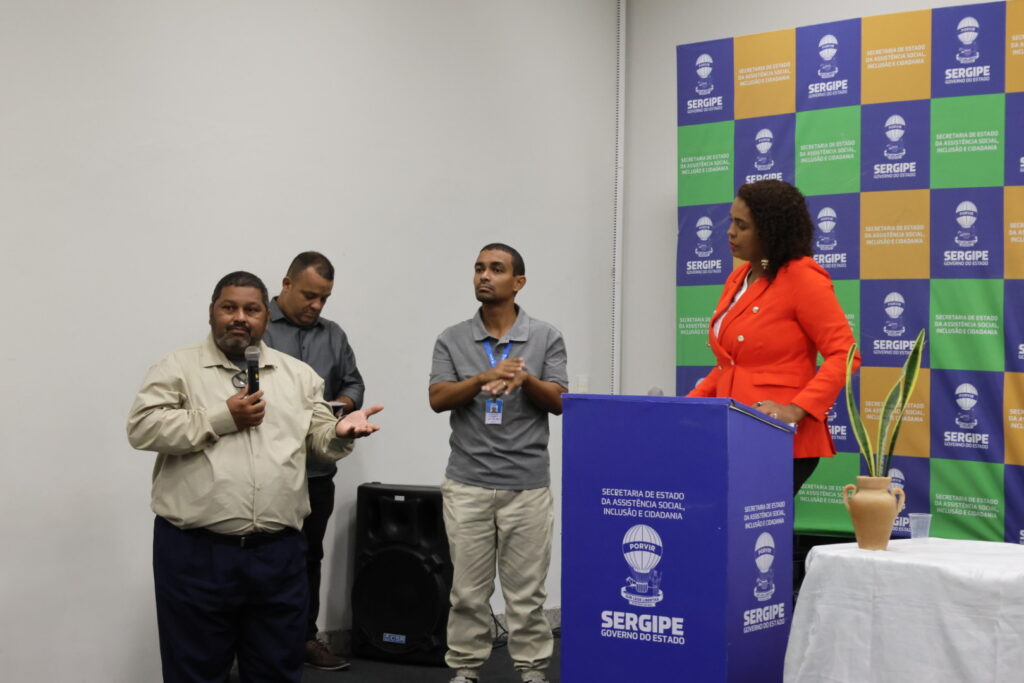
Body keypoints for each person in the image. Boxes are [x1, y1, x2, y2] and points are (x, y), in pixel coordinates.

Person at [127, 271, 382, 683]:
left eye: (251, 309)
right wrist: (222, 418)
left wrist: (339, 432)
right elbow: (143, 428)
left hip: (277, 555)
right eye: (229, 307)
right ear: (212, 312)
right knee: (195, 672)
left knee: (276, 671)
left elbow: (319, 437)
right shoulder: (178, 367)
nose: (240, 318)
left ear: (266, 316)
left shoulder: (299, 375)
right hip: (196, 554)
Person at [429, 244, 567, 683]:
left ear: (518, 282)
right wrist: (481, 378)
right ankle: (465, 670)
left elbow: (560, 401)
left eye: (496, 269)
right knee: (467, 593)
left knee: (526, 595)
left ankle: (532, 671)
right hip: (467, 484)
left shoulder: (545, 336)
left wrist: (526, 380)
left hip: (527, 486)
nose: (484, 276)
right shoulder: (452, 338)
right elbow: (437, 398)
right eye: (479, 268)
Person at [687, 179, 859, 495]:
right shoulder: (739, 277)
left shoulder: (803, 277)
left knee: (756, 523)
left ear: (770, 231)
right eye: (731, 221)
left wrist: (795, 408)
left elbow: (845, 355)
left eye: (742, 226)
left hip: (778, 435)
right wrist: (687, 407)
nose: (730, 232)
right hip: (734, 429)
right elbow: (730, 365)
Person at [262, 251, 364, 671]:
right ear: (286, 284)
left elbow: (354, 384)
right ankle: (260, 646)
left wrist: (339, 406)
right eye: (309, 295)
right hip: (267, 472)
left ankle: (305, 639)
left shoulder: (334, 335)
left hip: (318, 471)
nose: (316, 305)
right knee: (264, 561)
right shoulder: (258, 326)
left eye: (324, 298)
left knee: (308, 557)